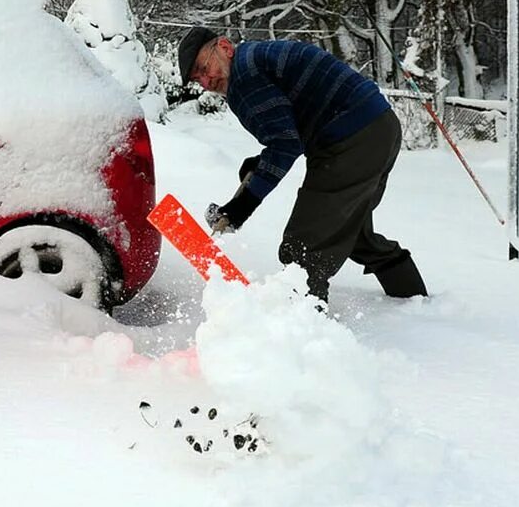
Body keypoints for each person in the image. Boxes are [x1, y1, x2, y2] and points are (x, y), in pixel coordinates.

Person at [177, 27, 427, 302]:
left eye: (204, 67)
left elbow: (285, 144)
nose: (205, 80)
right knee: (349, 230)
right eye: (197, 78)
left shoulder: (244, 75)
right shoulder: (255, 57)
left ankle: (301, 333)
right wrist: (261, 165)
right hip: (379, 127)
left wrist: (241, 206)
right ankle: (413, 301)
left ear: (225, 47)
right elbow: (288, 130)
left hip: (349, 138)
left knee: (303, 248)